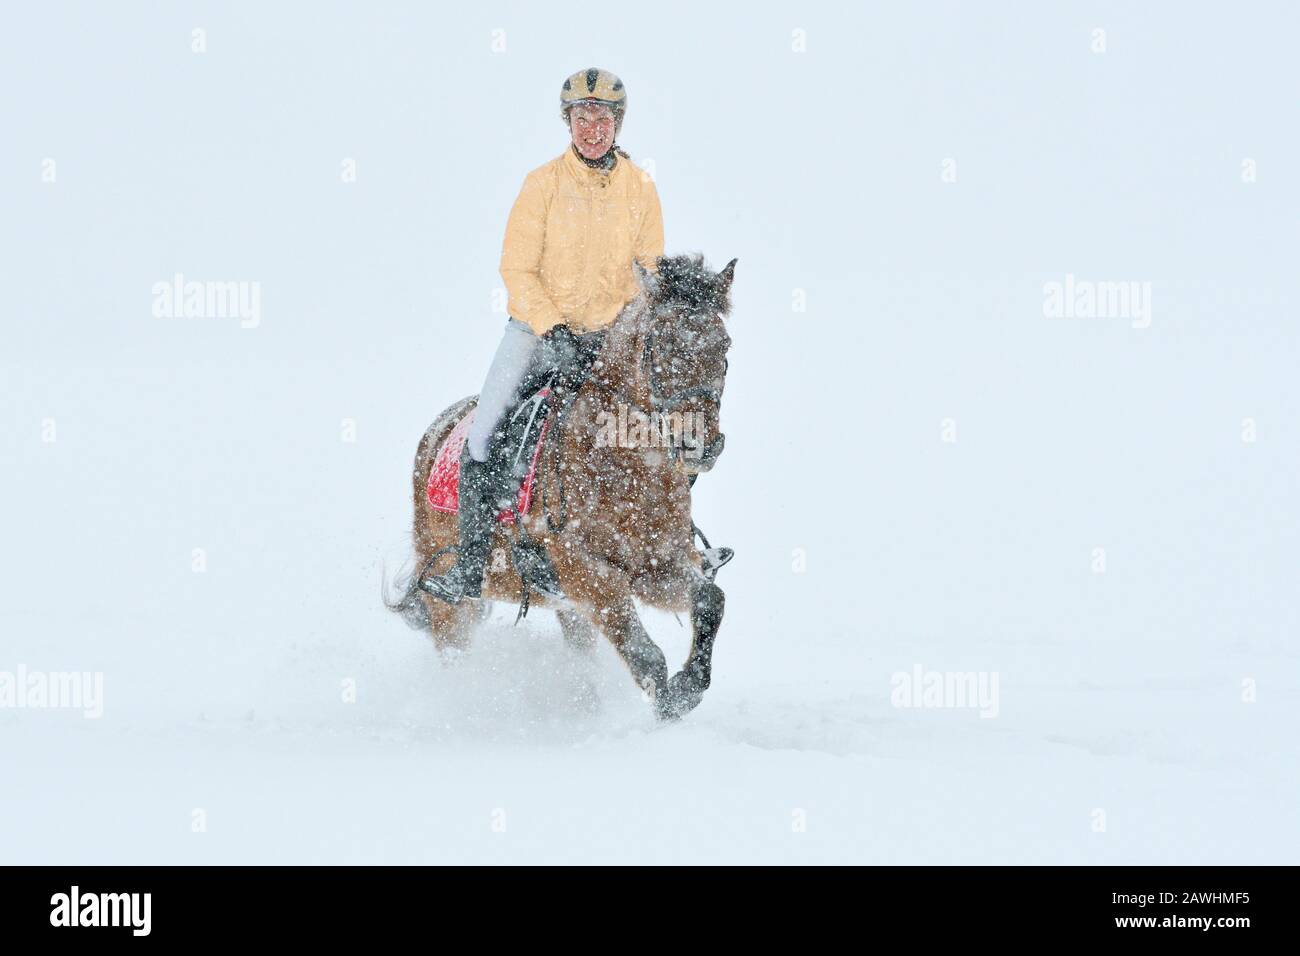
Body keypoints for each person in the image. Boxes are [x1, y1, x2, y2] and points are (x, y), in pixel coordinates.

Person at [419, 67, 666, 604]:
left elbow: (648, 272)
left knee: (661, 424)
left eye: (603, 117)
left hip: (610, 340)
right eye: (582, 117)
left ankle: (670, 545)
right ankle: (471, 565)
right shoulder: (541, 184)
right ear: (568, 122)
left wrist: (620, 336)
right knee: (485, 434)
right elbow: (517, 269)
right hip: (536, 332)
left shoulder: (641, 188)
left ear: (618, 123)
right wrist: (555, 329)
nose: (592, 128)